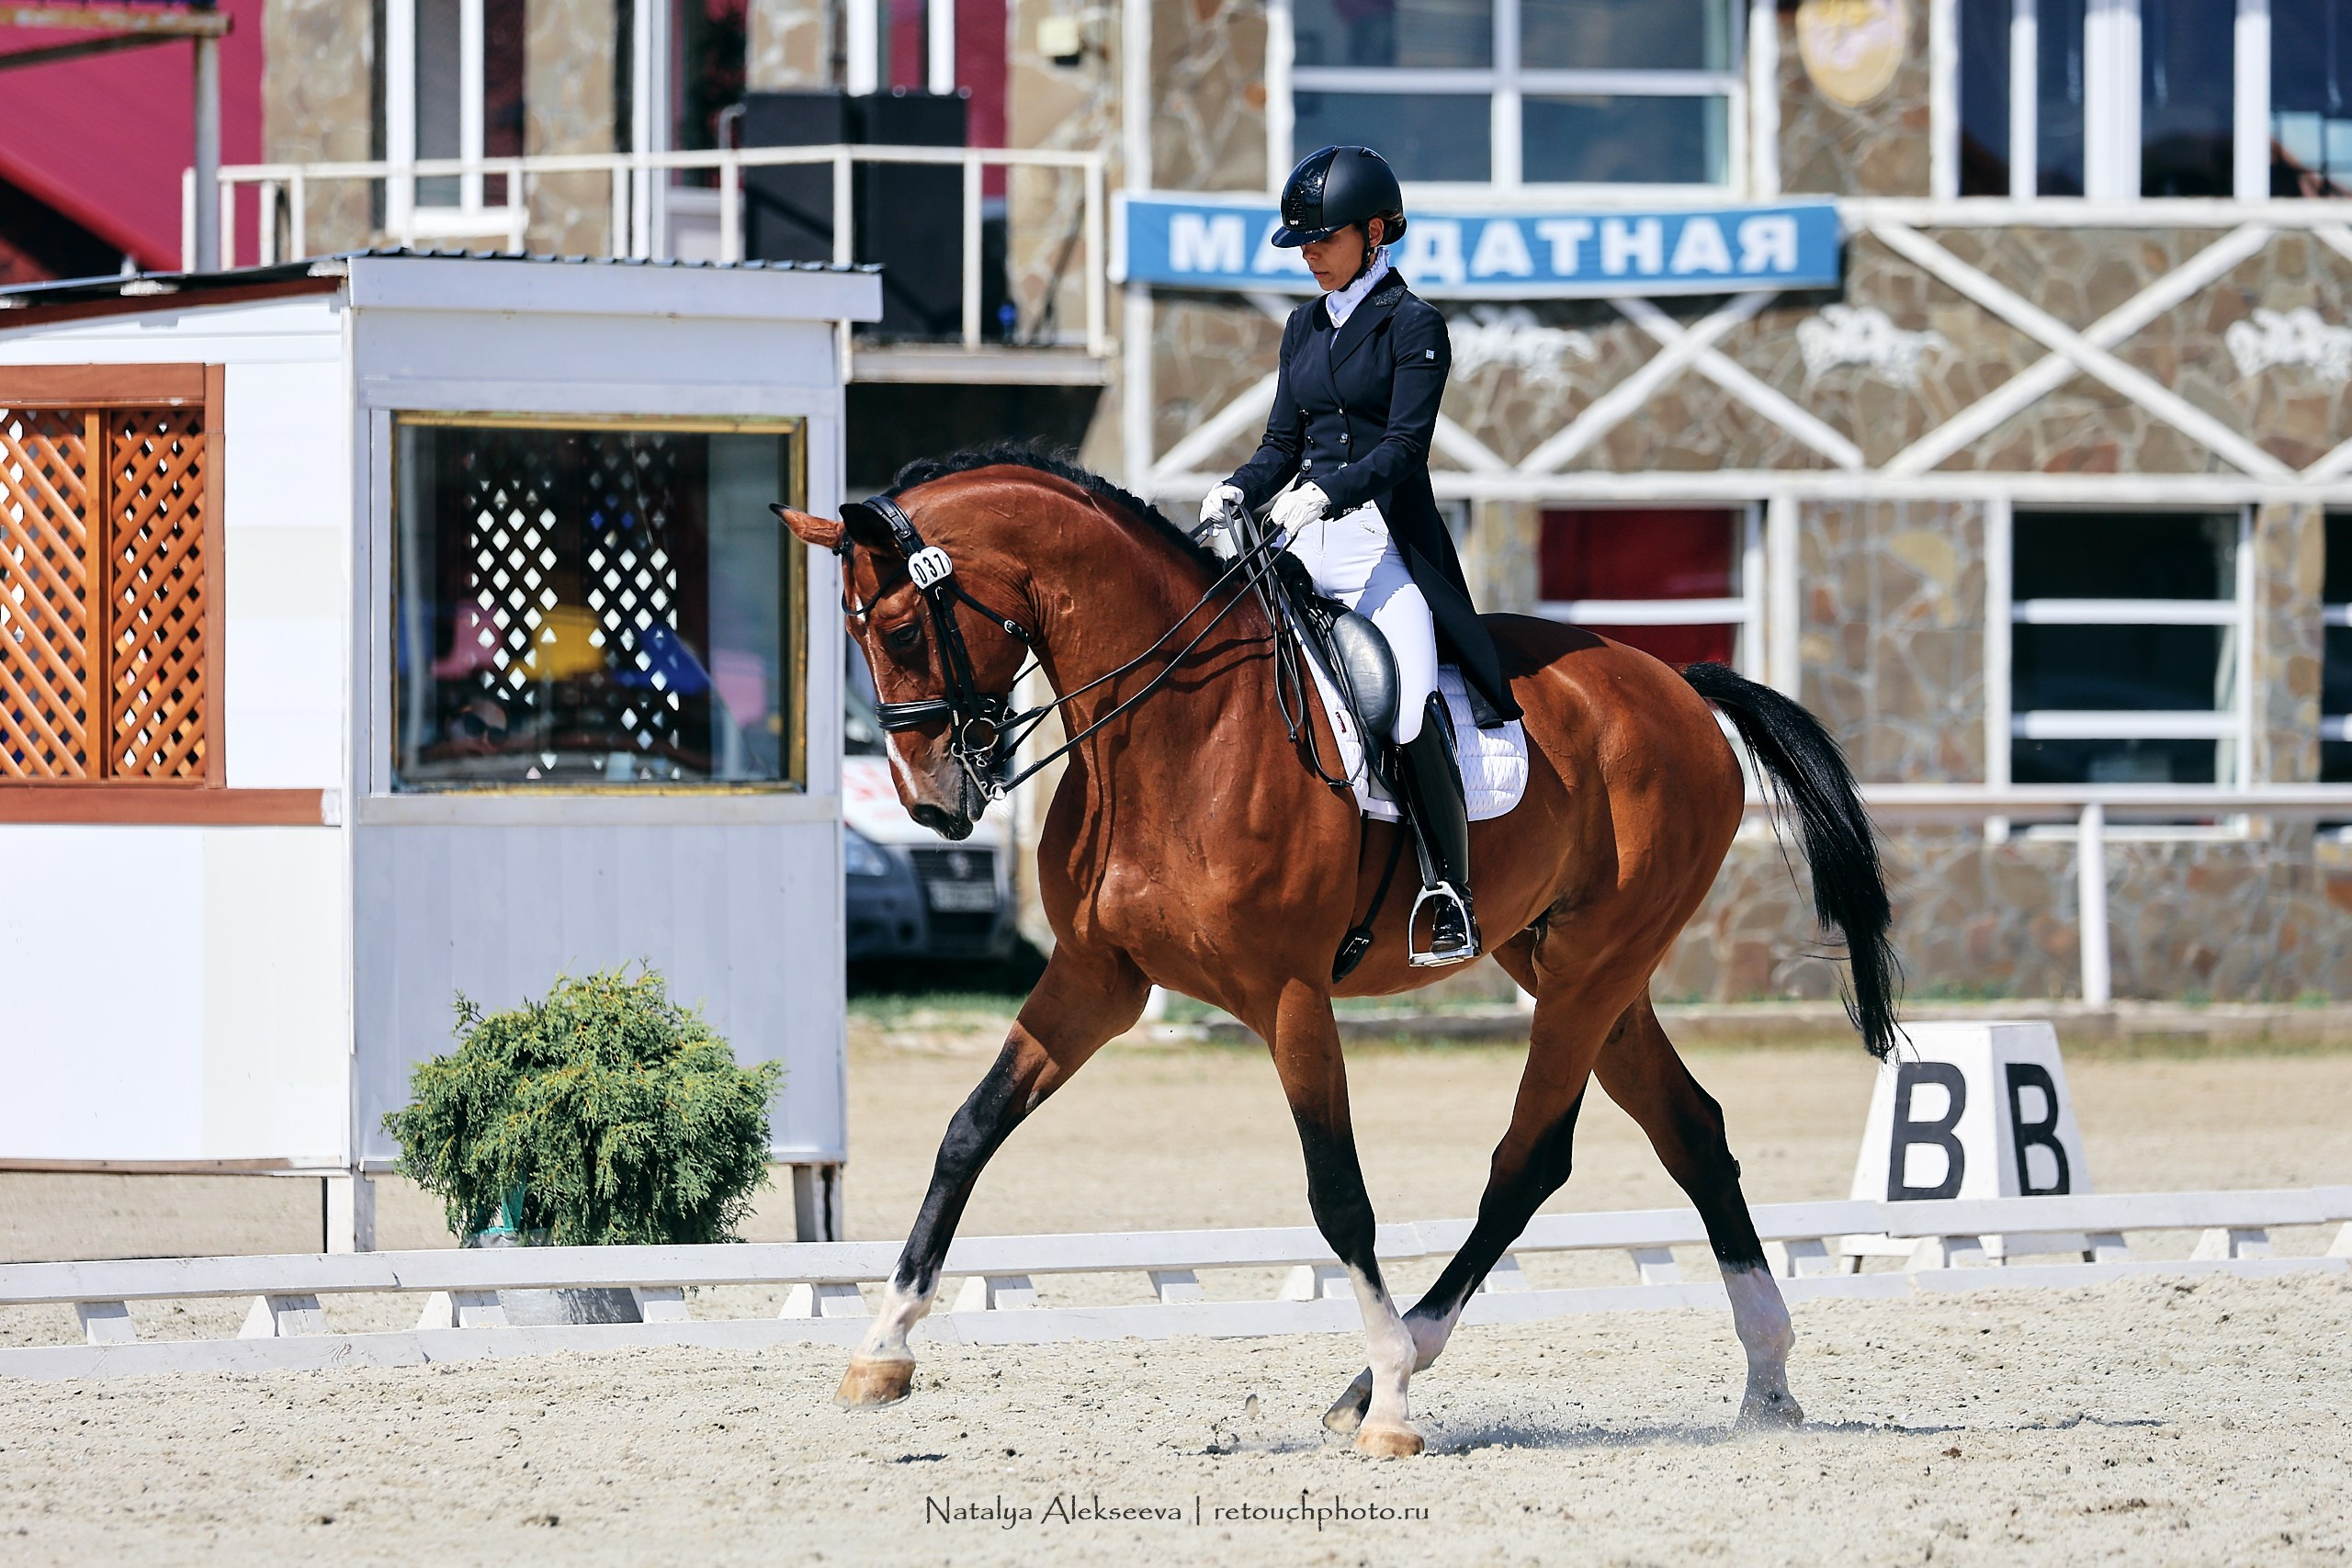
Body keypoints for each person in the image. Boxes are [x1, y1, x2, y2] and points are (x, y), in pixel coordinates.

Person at [1199, 144, 1521, 968]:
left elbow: (1406, 448)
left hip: (1384, 553)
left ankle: (1448, 890)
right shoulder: (1303, 324)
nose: (1308, 253)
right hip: (1302, 547)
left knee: (1405, 708)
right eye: (1301, 242)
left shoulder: (1414, 325)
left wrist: (1328, 491)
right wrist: (1238, 487)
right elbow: (1281, 442)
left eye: (1323, 239)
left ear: (1376, 234)